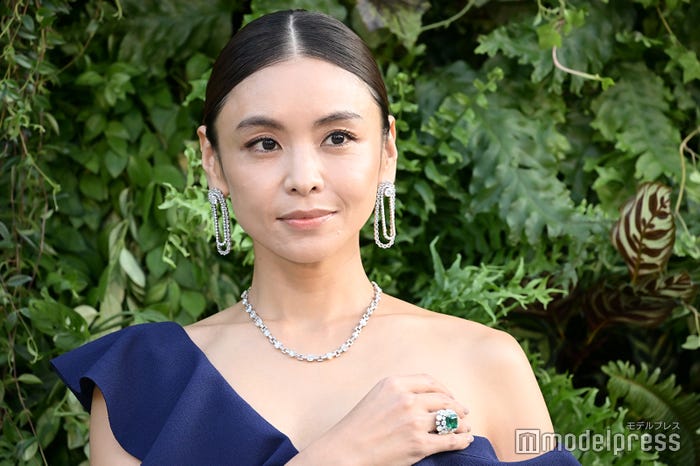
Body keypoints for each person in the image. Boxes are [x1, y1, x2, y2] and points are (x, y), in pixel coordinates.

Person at [52, 9, 580, 465]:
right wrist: (341, 455)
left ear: (387, 152)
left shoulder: (487, 362)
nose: (303, 178)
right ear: (213, 162)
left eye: (338, 137)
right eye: (264, 143)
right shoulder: (144, 384)